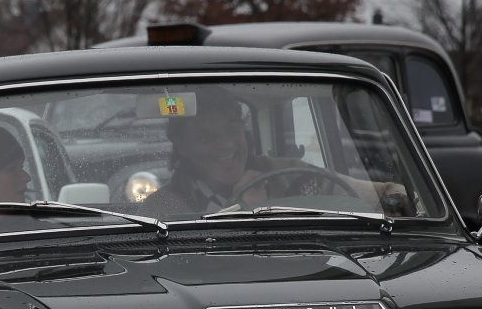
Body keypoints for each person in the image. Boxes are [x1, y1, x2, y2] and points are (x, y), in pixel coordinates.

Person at [146, 86, 409, 218]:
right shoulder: (162, 209)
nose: (226, 144)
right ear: (182, 146)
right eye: (206, 137)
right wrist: (246, 210)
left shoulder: (293, 176)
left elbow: (383, 193)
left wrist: (398, 203)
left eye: (232, 127)